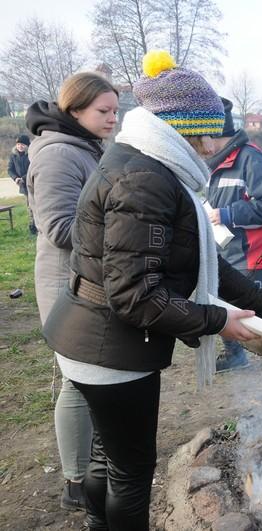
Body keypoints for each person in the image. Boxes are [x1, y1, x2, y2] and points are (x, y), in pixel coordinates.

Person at [41, 50, 262, 530]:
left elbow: (201, 256)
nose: (212, 144)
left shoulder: (148, 162)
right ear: (185, 127)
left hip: (88, 337)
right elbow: (134, 295)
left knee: (106, 455)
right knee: (131, 471)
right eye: (209, 132)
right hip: (110, 349)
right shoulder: (145, 179)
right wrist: (218, 320)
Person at [26, 72, 120, 511]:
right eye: (104, 111)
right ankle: (76, 481)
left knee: (90, 380)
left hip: (89, 282)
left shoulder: (85, 147)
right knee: (77, 382)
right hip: (66, 286)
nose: (113, 118)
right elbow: (61, 229)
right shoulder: (59, 155)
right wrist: (125, 227)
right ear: (75, 109)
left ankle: (92, 466)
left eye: (116, 110)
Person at [205, 98, 262, 398]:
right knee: (224, 305)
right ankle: (235, 356)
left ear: (218, 135)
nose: (203, 145)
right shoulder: (212, 163)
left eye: (206, 138)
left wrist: (227, 215)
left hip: (252, 255)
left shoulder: (251, 159)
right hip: (222, 253)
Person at [7, 134, 36, 234]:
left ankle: (38, 225)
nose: (20, 146)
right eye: (18, 144)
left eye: (22, 144)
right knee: (30, 206)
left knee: (36, 205)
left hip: (34, 183)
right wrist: (15, 178)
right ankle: (33, 227)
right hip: (23, 185)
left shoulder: (31, 154)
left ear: (27, 145)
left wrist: (23, 178)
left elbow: (33, 168)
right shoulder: (13, 156)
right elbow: (10, 169)